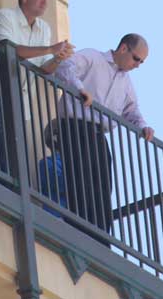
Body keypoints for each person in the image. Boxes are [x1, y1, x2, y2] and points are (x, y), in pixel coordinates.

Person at [52, 33, 154, 241]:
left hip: (97, 134)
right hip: (75, 127)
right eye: (136, 59)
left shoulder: (126, 82)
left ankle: (100, 239)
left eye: (141, 62)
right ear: (124, 48)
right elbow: (65, 67)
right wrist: (80, 89)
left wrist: (143, 126)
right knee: (81, 182)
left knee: (103, 187)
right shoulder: (93, 57)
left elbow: (132, 110)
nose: (138, 65)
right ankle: (80, 233)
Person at [0, 0, 73, 171]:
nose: (45, 2)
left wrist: (58, 58)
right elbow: (10, 50)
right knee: (4, 151)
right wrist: (50, 49)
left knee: (14, 155)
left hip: (20, 104)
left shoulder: (44, 28)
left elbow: (43, 69)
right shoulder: (5, 16)